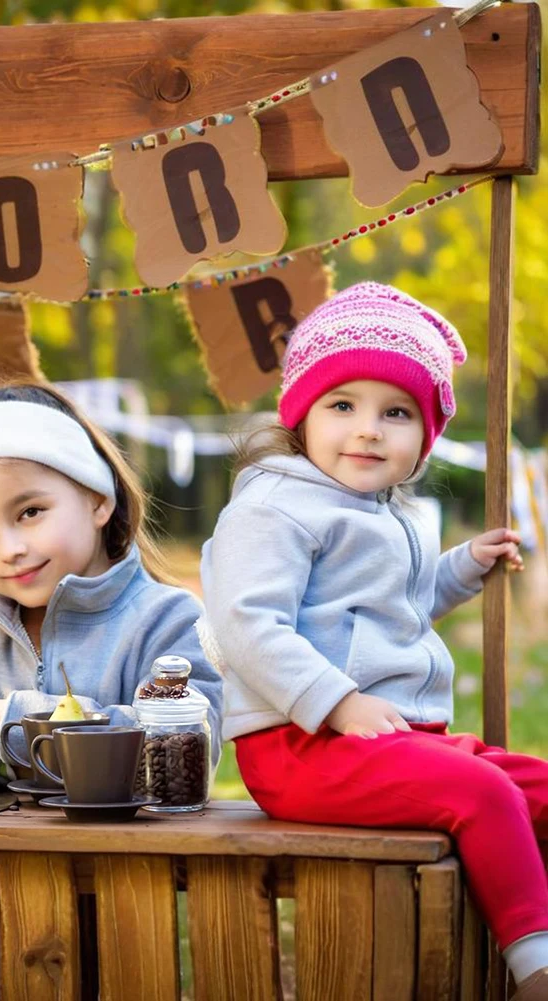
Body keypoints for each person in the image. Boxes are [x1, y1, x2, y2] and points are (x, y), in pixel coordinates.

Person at [200, 281, 547, 999]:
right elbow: (246, 623)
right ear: (299, 417)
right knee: (481, 791)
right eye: (341, 405)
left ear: (424, 436)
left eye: (395, 412)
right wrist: (336, 701)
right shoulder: (273, 505)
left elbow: (393, 610)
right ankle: (533, 966)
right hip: (302, 746)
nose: (367, 429)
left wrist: (460, 567)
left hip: (390, 738)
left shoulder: (380, 509)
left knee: (536, 787)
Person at [0, 381, 222, 792]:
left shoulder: (170, 620)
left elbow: (177, 761)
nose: (9, 549)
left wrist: (3, 717)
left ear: (98, 500)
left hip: (124, 856)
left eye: (30, 512)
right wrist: (6, 761)